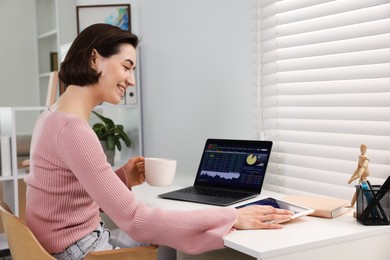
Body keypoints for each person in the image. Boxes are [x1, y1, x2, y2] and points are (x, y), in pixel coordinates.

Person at [24, 23, 293, 260]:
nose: (130, 80)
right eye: (126, 67)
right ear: (95, 59)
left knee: (169, 240)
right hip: (81, 251)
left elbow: (66, 193)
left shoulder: (51, 116)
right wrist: (233, 216)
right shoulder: (74, 130)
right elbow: (137, 221)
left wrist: (122, 177)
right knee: (176, 243)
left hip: (60, 247)